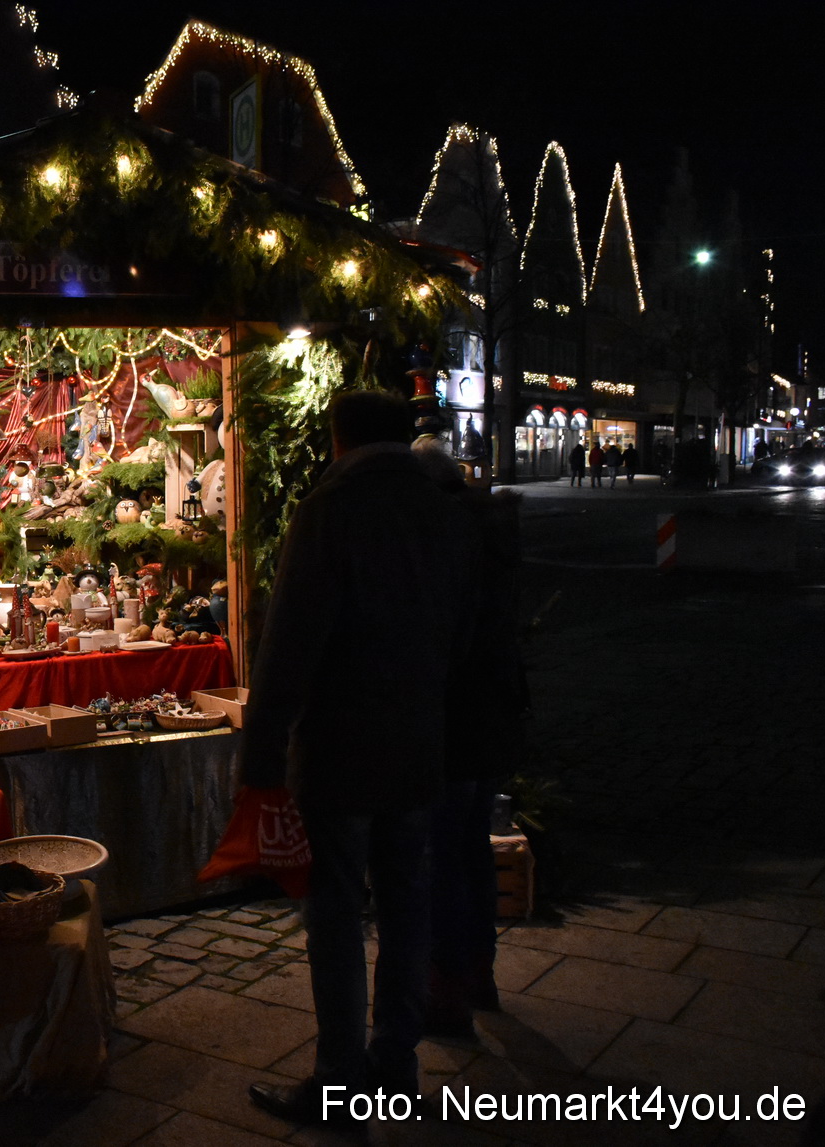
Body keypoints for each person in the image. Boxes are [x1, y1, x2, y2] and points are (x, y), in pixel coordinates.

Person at [242, 392, 478, 1127]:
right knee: (407, 903)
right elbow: (465, 631)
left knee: (337, 915)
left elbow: (288, 646)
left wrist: (261, 753)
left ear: (338, 438)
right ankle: (395, 1063)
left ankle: (339, 1080)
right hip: (415, 743)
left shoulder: (331, 507)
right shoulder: (443, 509)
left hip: (341, 748)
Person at [413, 440, 525, 1036]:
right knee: (472, 849)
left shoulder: (445, 539)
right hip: (493, 714)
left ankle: (445, 991)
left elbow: (440, 637)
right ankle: (479, 973)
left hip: (455, 720)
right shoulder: (490, 528)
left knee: (443, 855)